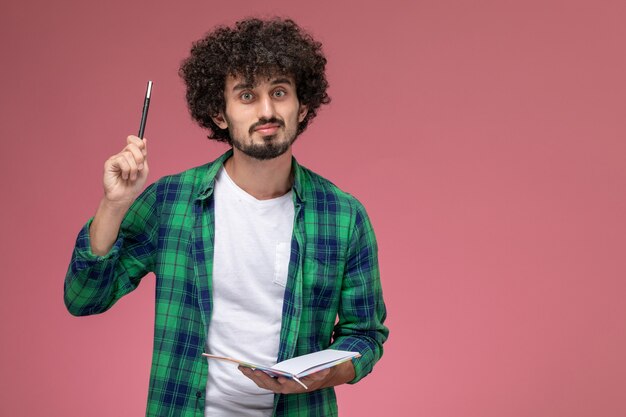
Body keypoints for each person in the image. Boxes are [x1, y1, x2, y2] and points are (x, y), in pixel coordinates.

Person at [64, 17, 388, 417]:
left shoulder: (343, 216)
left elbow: (365, 336)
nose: (267, 110)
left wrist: (317, 375)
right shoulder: (172, 201)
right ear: (220, 114)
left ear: (302, 107)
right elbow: (84, 297)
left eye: (280, 92)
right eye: (247, 95)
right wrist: (113, 204)